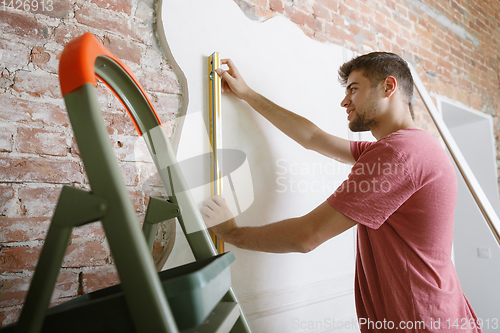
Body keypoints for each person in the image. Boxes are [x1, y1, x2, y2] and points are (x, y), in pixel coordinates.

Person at [202, 52, 482, 332]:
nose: (344, 101)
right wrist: (248, 94)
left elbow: (306, 236)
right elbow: (313, 138)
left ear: (388, 87)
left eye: (354, 89)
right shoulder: (415, 147)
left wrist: (231, 233)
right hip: (442, 315)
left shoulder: (397, 154)